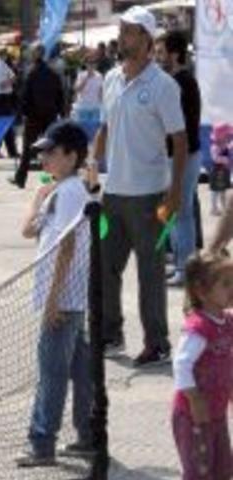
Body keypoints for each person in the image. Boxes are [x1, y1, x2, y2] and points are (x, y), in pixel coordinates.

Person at [94, 6, 188, 367]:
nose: (122, 37)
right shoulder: (111, 79)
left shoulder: (163, 86)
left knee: (150, 273)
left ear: (147, 40)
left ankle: (157, 342)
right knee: (105, 266)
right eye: (121, 30)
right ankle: (110, 333)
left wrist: (175, 192)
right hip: (113, 194)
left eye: (130, 31)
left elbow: (179, 140)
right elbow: (104, 129)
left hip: (151, 197)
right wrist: (91, 169)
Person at [16, 121, 93, 467]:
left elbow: (67, 246)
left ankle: (41, 442)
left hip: (63, 301)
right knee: (79, 370)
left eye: (51, 152)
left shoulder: (73, 192)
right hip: (68, 299)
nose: (44, 157)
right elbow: (27, 230)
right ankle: (88, 436)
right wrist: (37, 197)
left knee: (52, 373)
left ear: (72, 156)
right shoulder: (60, 191)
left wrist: (52, 301)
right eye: (42, 152)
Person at [171, 252, 233, 479]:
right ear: (202, 291)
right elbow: (182, 364)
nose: (232, 289)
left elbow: (227, 360)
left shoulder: (227, 321)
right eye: (226, 284)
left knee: (222, 469)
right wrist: (194, 398)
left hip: (216, 412)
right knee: (199, 471)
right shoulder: (199, 327)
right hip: (193, 415)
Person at [155, 31, 203, 287]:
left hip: (183, 157)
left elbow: (180, 129)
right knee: (176, 213)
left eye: (161, 52)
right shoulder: (177, 80)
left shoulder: (181, 82)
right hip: (178, 156)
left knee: (181, 213)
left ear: (174, 54)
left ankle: (186, 270)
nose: (158, 57)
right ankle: (181, 264)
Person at [10, 44, 65, 189]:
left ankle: (21, 178)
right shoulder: (53, 73)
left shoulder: (31, 72)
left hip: (34, 116)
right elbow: (60, 95)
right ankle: (54, 178)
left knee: (28, 148)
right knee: (50, 148)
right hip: (50, 115)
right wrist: (61, 112)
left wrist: (21, 113)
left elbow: (25, 96)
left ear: (35, 54)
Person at [0, 48, 19, 159]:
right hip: (0, 98)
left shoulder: (3, 64)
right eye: (6, 55)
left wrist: (12, 79)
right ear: (3, 54)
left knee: (6, 125)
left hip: (3, 97)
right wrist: (11, 80)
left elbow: (12, 76)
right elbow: (3, 84)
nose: (7, 57)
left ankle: (10, 150)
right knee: (2, 125)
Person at [71, 55, 103, 124]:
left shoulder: (99, 76)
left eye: (93, 63)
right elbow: (76, 89)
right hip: (83, 107)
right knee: (83, 129)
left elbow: (101, 91)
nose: (91, 65)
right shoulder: (81, 75)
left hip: (95, 107)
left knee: (94, 130)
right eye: (89, 63)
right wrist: (86, 78)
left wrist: (102, 105)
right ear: (86, 64)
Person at [209, 124, 233, 216]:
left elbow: (229, 148)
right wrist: (226, 160)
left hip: (224, 171)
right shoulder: (215, 147)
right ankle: (213, 208)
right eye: (227, 136)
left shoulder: (226, 146)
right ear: (220, 137)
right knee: (215, 190)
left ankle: (224, 207)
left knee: (223, 190)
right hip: (217, 171)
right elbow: (215, 158)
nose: (229, 138)